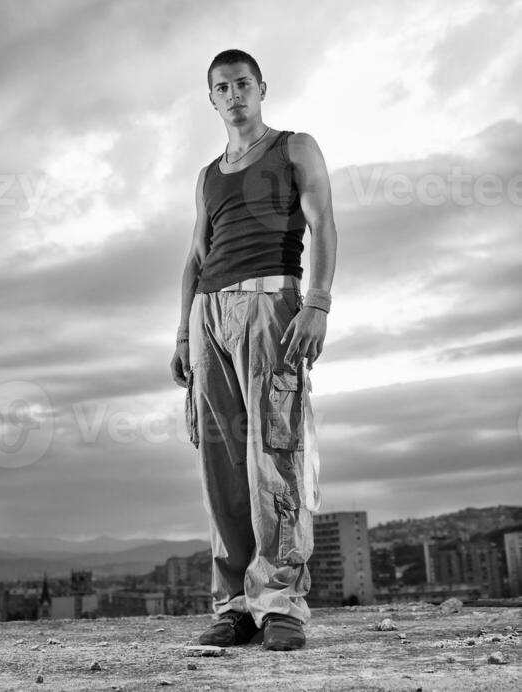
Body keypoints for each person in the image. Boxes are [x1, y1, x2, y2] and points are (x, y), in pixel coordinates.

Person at [170, 49, 337, 652]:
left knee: (275, 451)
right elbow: (194, 255)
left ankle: (281, 601)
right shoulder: (207, 174)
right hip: (208, 315)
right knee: (221, 466)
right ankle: (237, 604)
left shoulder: (295, 147)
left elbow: (324, 222)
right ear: (210, 99)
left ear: (261, 87)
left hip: (271, 306)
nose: (234, 93)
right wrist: (184, 333)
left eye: (243, 83)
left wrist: (316, 302)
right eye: (222, 87)